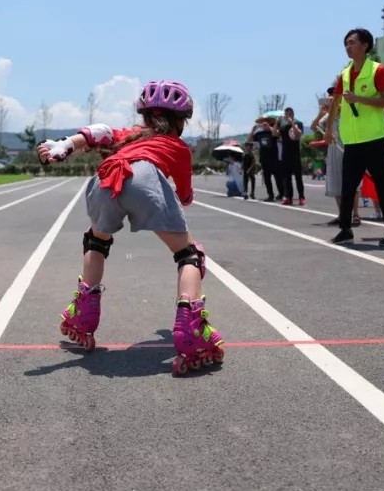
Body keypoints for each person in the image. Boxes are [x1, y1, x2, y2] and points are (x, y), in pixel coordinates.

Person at [36, 80, 224, 376]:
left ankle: (83, 317)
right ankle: (191, 330)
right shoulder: (178, 147)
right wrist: (184, 197)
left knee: (95, 241)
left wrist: (66, 145)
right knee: (189, 255)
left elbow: (101, 132)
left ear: (145, 117)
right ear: (182, 120)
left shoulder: (131, 135)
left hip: (106, 178)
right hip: (145, 178)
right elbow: (185, 196)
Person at [325, 27, 384, 247]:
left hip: (374, 138)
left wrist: (359, 98)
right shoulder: (345, 74)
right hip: (352, 140)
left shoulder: (377, 70)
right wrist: (330, 130)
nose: (348, 47)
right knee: (347, 186)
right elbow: (335, 104)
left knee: (381, 185)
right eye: (346, 43)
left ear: (365, 45)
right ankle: (346, 229)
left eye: (352, 42)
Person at [313, 87, 360, 226]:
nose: (331, 99)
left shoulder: (348, 109)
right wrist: (320, 113)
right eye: (330, 97)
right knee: (336, 181)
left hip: (348, 146)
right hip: (334, 148)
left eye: (334, 96)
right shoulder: (329, 115)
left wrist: (337, 104)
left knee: (352, 181)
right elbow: (314, 125)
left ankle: (356, 214)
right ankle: (342, 214)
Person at [248, 117, 282, 200]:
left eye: (266, 122)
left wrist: (269, 127)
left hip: (274, 158)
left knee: (278, 177)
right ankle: (270, 195)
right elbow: (249, 140)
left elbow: (277, 134)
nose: (264, 123)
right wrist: (253, 130)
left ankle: (281, 194)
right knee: (267, 178)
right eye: (262, 122)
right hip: (264, 158)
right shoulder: (259, 133)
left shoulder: (272, 131)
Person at [278, 107, 305, 205]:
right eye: (287, 114)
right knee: (286, 177)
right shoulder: (283, 126)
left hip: (295, 154)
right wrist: (277, 123)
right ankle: (288, 197)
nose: (289, 116)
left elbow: (298, 134)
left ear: (293, 114)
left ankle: (301, 197)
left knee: (298, 177)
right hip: (285, 154)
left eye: (290, 114)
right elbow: (274, 134)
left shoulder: (299, 123)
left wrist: (292, 123)